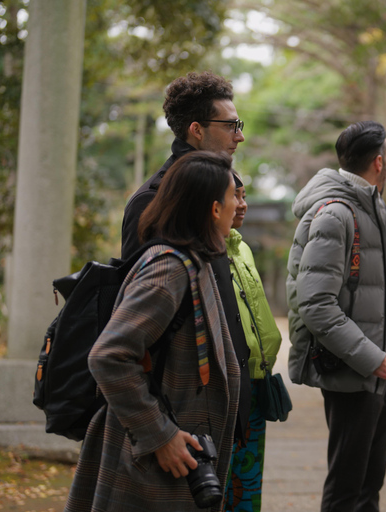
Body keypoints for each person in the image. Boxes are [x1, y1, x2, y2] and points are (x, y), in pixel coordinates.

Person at [66, 151, 241, 512]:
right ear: (212, 208)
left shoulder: (196, 261)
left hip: (176, 461)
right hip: (149, 464)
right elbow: (109, 356)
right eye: (231, 197)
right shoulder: (169, 271)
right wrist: (159, 436)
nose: (238, 205)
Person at [286, 121, 386, 512]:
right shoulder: (336, 212)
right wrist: (372, 358)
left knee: (369, 483)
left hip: (383, 361)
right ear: (379, 162)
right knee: (347, 487)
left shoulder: (370, 202)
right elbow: (316, 304)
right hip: (358, 367)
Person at [120, 71, 253, 449]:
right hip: (180, 414)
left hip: (226, 402)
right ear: (196, 130)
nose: (239, 136)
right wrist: (158, 432)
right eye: (230, 126)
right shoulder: (155, 201)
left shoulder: (224, 193)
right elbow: (133, 330)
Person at [222, 172, 283, 511]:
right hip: (230, 387)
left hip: (257, 382)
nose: (243, 205)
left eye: (245, 196)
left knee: (249, 482)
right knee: (224, 482)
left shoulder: (241, 247)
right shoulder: (207, 251)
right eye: (236, 197)